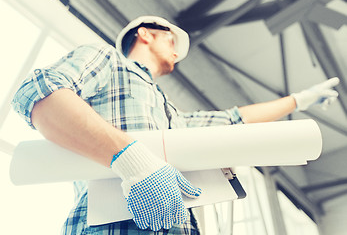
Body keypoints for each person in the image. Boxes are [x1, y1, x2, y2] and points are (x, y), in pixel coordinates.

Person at [11, 16, 339, 235]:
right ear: (145, 34)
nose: (176, 51)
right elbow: (38, 93)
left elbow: (233, 121)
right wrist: (132, 161)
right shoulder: (107, 60)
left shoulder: (173, 116)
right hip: (111, 225)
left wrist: (297, 100)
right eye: (170, 39)